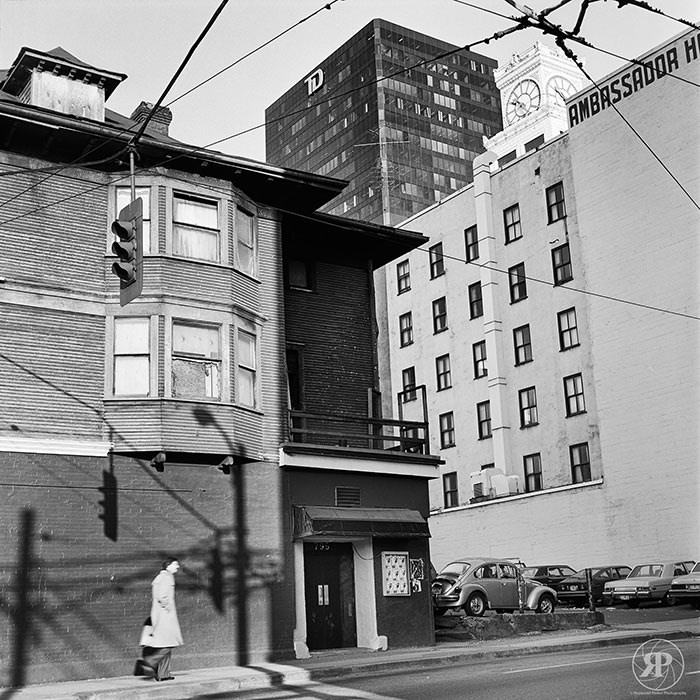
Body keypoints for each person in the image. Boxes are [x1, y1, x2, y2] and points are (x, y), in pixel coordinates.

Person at [134, 557, 184, 681]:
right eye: (175, 564)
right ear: (168, 566)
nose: (177, 567)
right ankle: (150, 661)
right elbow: (162, 596)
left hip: (161, 615)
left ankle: (163, 674)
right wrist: (167, 607)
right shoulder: (166, 577)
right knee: (168, 644)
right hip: (165, 616)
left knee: (166, 644)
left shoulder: (161, 577)